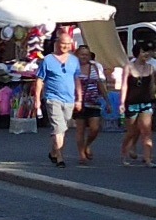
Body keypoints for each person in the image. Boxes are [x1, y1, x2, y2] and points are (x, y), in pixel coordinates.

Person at [33, 29, 80, 168]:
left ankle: (53, 152)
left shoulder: (74, 60)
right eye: (63, 43)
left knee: (62, 128)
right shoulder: (47, 60)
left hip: (69, 99)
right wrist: (37, 100)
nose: (65, 46)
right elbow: (39, 80)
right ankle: (60, 157)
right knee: (58, 128)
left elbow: (77, 79)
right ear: (57, 43)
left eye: (68, 44)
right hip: (53, 98)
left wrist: (80, 98)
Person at [119, 40, 155, 167]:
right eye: (144, 51)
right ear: (137, 52)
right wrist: (122, 103)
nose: (147, 54)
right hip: (132, 103)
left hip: (146, 103)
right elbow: (124, 86)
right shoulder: (129, 67)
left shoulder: (151, 68)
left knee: (147, 132)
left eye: (148, 52)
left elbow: (152, 86)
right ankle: (124, 155)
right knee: (131, 132)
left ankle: (148, 159)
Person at [73, 46, 108, 165]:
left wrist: (107, 101)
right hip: (79, 103)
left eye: (86, 54)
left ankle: (87, 144)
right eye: (82, 54)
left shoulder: (94, 67)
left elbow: (99, 84)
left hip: (93, 103)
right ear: (77, 55)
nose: (84, 57)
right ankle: (81, 155)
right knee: (80, 130)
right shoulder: (73, 68)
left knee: (95, 128)